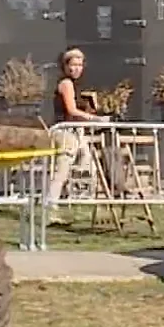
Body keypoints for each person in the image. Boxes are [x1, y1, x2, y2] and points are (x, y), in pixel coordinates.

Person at [44, 48, 113, 223]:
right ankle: (50, 207)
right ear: (65, 66)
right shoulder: (66, 84)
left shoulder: (76, 86)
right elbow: (71, 110)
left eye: (80, 65)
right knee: (62, 170)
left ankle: (82, 198)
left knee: (88, 163)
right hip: (66, 131)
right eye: (73, 65)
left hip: (77, 130)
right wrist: (95, 119)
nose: (77, 68)